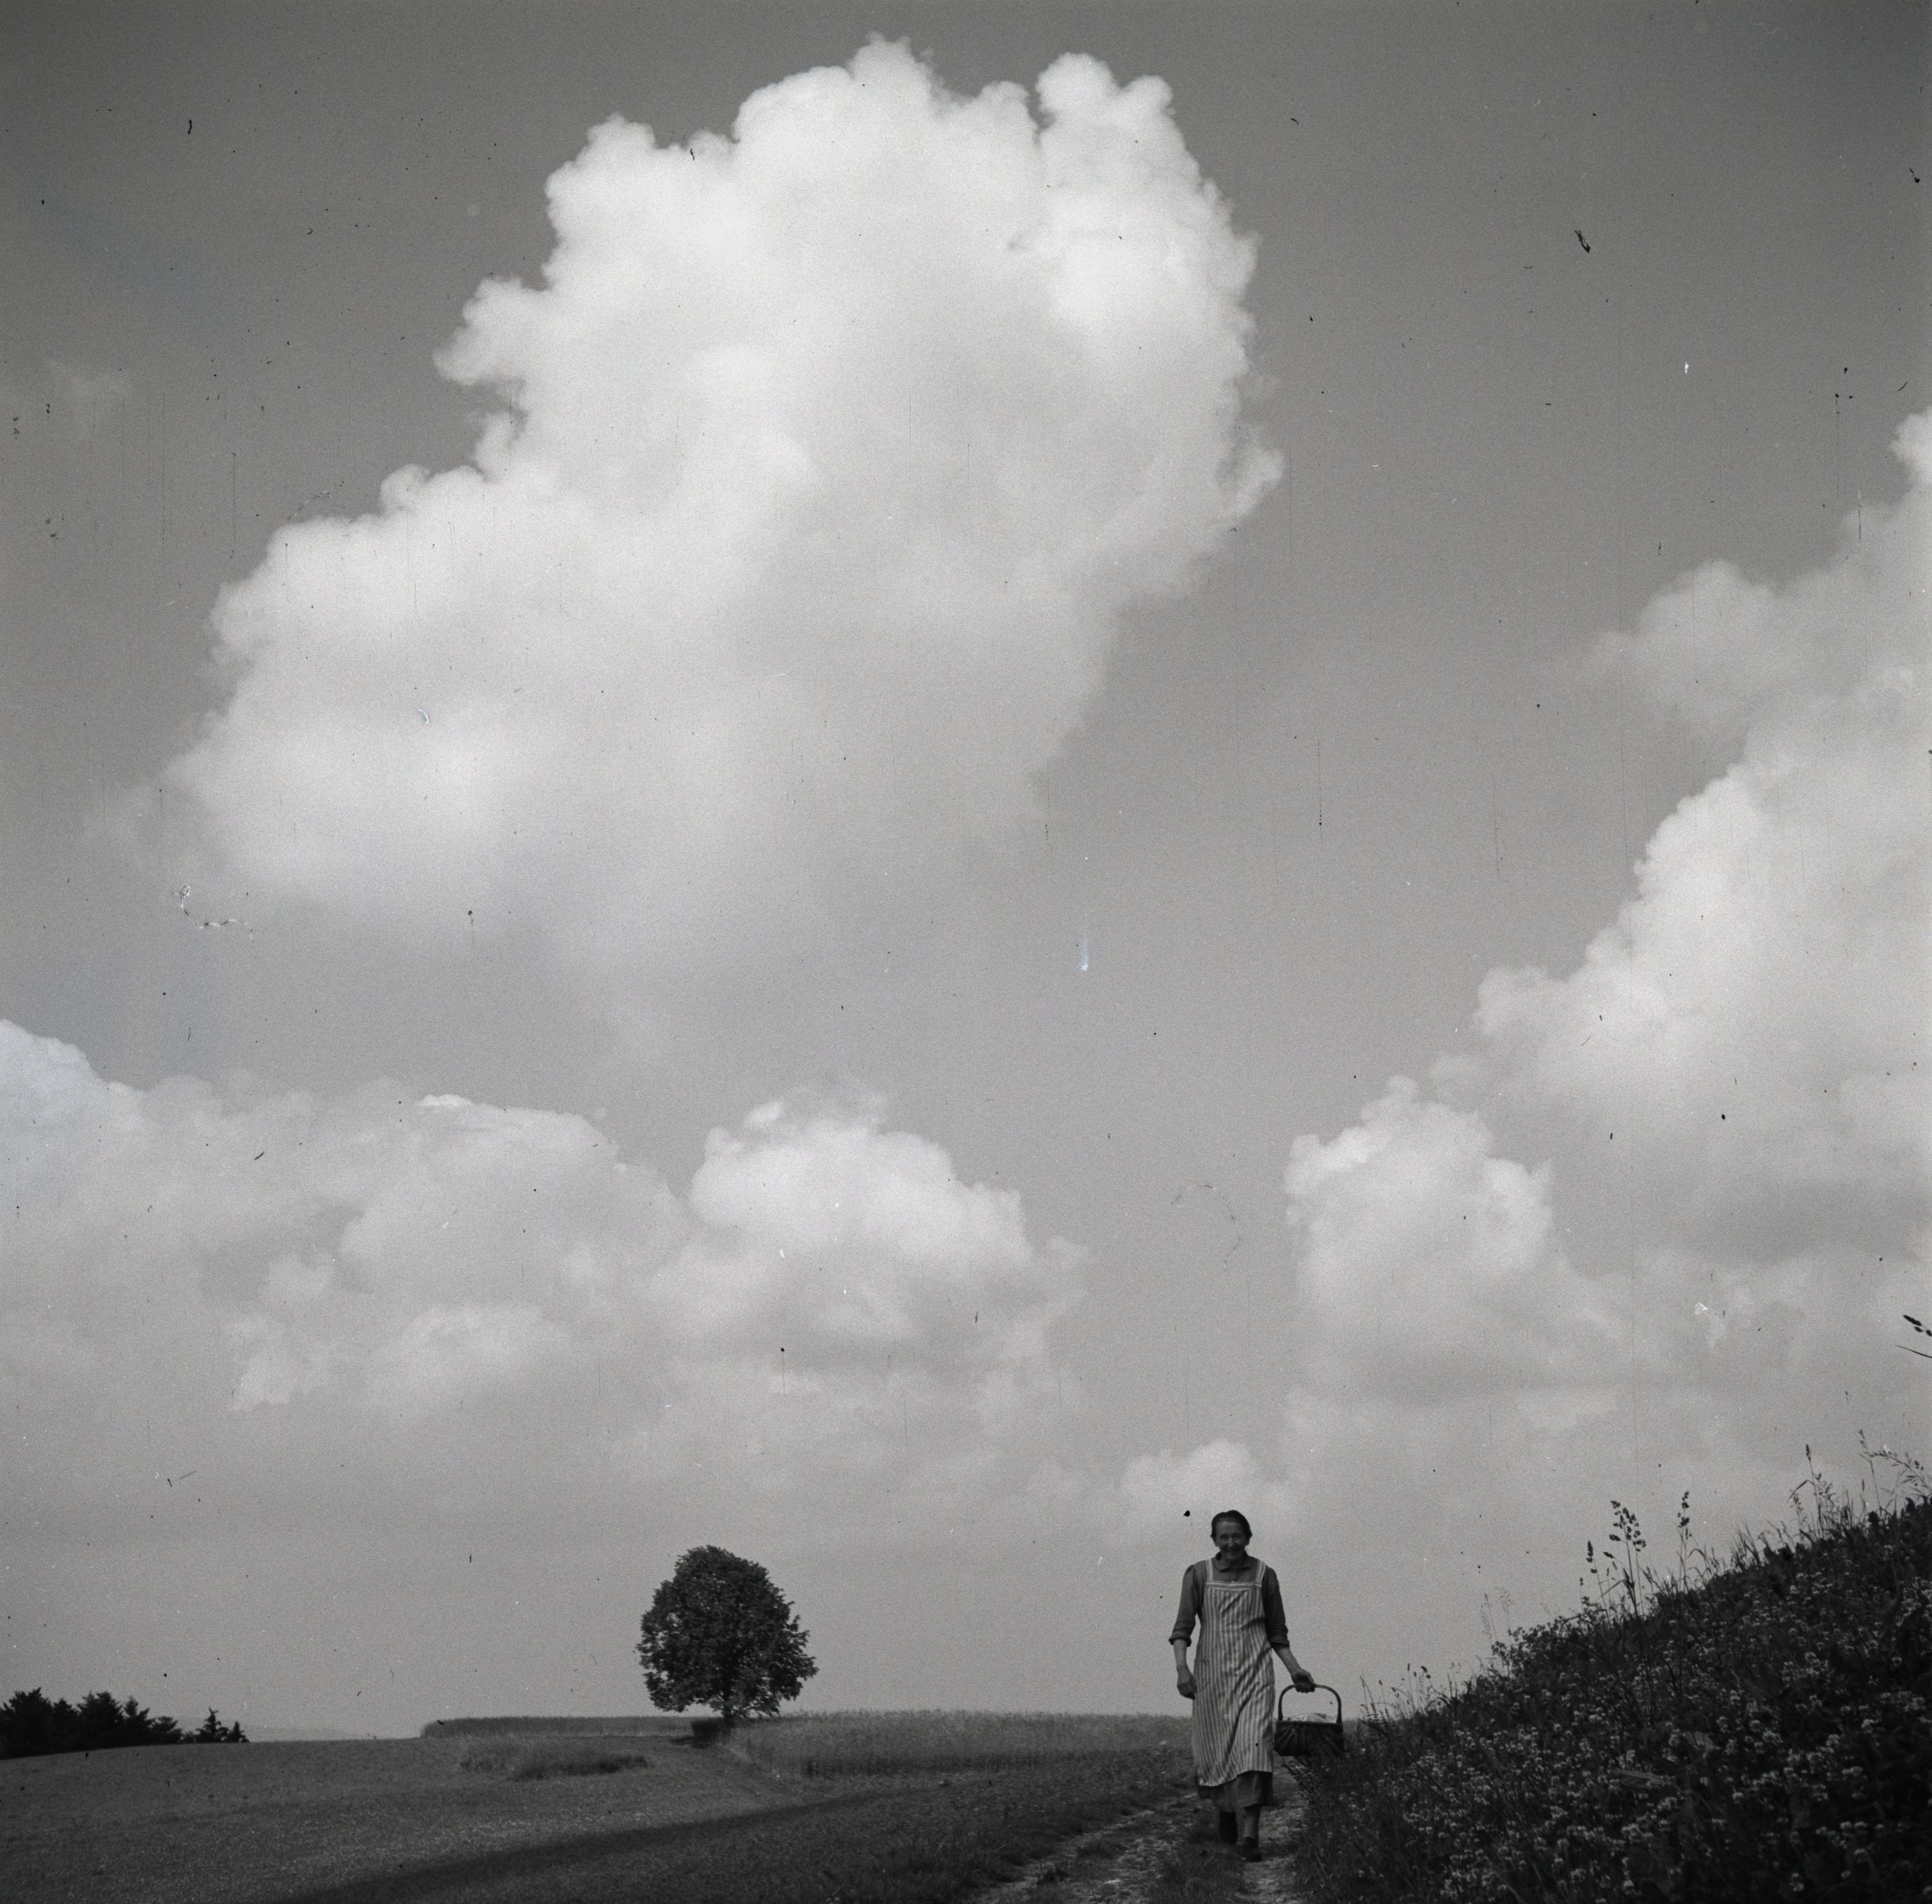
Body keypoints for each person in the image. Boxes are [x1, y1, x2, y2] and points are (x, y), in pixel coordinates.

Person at [1170, 1509, 1316, 1862]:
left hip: (1255, 1675)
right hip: (1211, 1678)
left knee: (1255, 1749)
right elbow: (1182, 1629)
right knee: (1216, 1750)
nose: (1231, 1543)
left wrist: (1295, 1669)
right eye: (1224, 1537)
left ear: (1248, 1538)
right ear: (1214, 1540)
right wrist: (1182, 1670)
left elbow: (1277, 1633)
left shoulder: (1265, 1575)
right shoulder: (1198, 1574)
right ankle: (1225, 1810)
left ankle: (1251, 1836)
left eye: (1237, 1536)